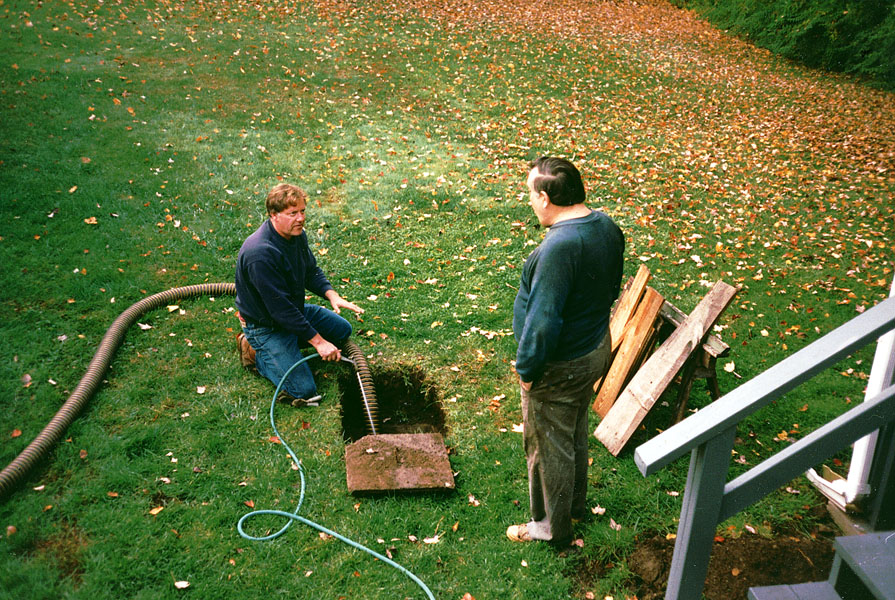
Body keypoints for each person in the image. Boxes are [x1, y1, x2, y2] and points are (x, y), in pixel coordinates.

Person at [507, 157, 624, 545]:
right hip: (593, 349)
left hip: (560, 365)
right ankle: (573, 506)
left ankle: (551, 527)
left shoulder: (560, 247)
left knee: (547, 446)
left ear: (544, 198)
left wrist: (527, 371)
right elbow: (610, 289)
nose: (529, 202)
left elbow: (543, 322)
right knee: (572, 432)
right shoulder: (605, 225)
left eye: (529, 194)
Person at [235, 183, 363, 406]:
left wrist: (332, 295)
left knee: (342, 330)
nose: (300, 218)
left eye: (302, 211)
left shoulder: (295, 235)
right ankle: (254, 351)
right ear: (274, 215)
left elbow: (310, 271)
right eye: (292, 213)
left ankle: (288, 346)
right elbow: (279, 310)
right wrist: (318, 342)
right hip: (266, 326)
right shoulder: (260, 254)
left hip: (292, 311)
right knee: (303, 390)